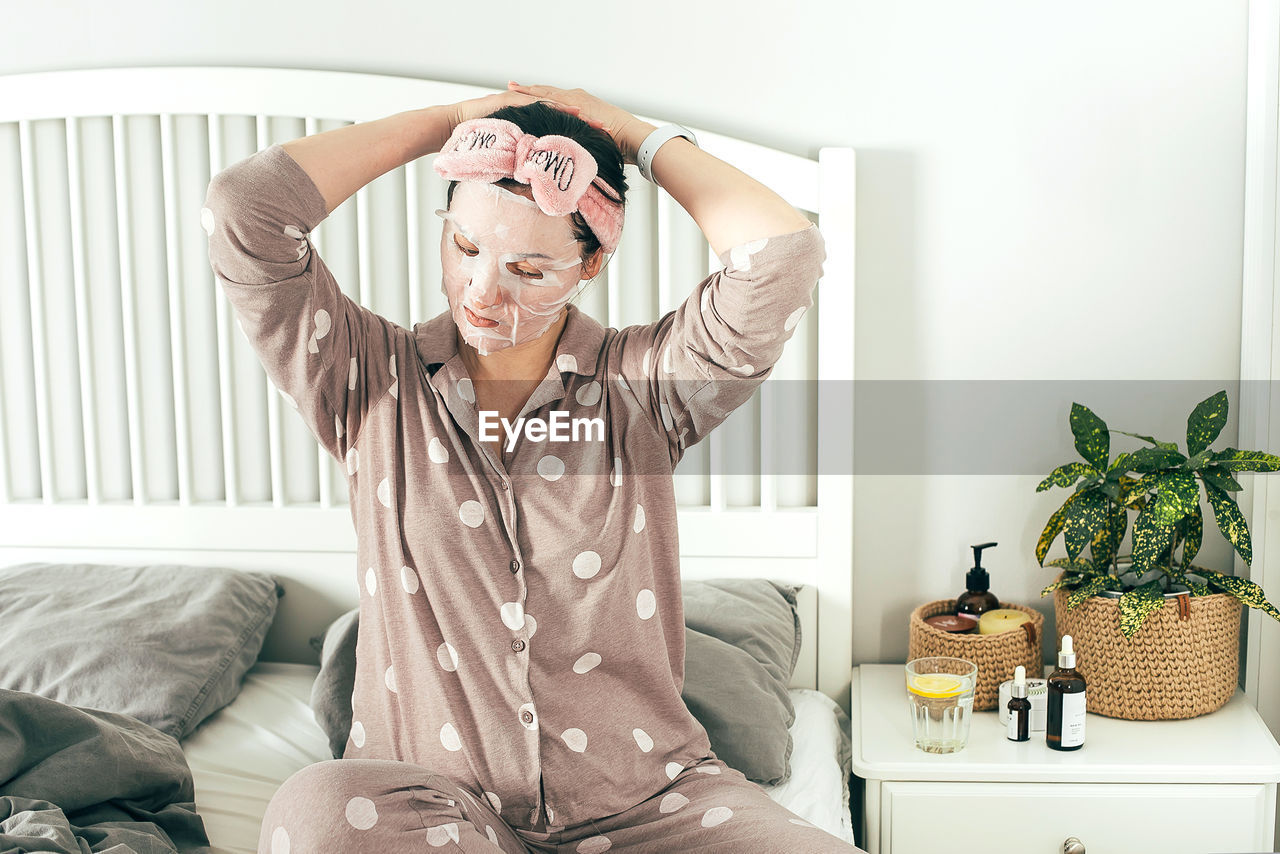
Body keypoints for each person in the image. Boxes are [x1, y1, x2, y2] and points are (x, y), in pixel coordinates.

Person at [203, 81, 858, 853]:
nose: (481, 293)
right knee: (314, 811)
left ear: (590, 265)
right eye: (465, 247)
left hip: (648, 804)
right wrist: (453, 125)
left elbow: (783, 257)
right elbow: (243, 209)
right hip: (429, 808)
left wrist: (631, 134)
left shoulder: (643, 390)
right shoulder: (367, 379)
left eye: (529, 269)